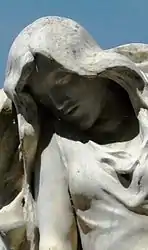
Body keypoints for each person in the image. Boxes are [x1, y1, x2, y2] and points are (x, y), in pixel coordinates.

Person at [1, 16, 148, 250]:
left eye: (62, 80)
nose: (59, 102)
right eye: (45, 97)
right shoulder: (57, 144)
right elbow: (55, 243)